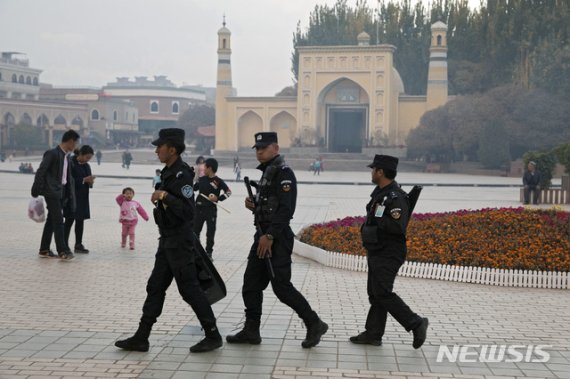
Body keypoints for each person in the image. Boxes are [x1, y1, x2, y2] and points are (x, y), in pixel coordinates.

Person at [115, 128, 223, 353]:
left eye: (160, 146)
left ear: (172, 149)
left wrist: (164, 196)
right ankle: (141, 336)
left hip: (180, 241)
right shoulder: (168, 172)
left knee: (190, 289)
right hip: (167, 240)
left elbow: (187, 211)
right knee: (155, 286)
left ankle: (213, 335)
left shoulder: (181, 174)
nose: (156, 150)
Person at [226, 131, 328, 348]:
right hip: (262, 236)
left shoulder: (284, 174)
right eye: (257, 149)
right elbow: (270, 205)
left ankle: (314, 323)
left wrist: (270, 235)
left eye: (264, 148)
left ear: (276, 148)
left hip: (276, 238)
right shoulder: (267, 173)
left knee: (281, 287)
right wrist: (255, 205)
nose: (259, 152)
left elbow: (286, 210)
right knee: (251, 284)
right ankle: (251, 331)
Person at [350, 154, 428, 349]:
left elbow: (397, 226)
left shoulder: (395, 197)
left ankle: (415, 323)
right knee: (375, 293)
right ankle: (373, 333)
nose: (371, 173)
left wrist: (378, 220)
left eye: (373, 169)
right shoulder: (381, 193)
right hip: (377, 249)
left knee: (383, 292)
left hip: (389, 251)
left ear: (381, 172)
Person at [31, 129, 80, 260]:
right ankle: (63, 250)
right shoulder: (52, 153)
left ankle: (44, 249)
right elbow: (41, 171)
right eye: (75, 143)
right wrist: (36, 189)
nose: (75, 146)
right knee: (59, 220)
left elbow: (66, 177)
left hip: (61, 192)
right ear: (70, 141)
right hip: (51, 191)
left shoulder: (66, 157)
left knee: (52, 220)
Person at [193, 158, 232, 260]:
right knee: (195, 230)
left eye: (205, 167)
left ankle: (209, 252)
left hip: (211, 210)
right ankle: (197, 250)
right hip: (199, 208)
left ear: (209, 168)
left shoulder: (218, 181)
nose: (203, 169)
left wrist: (218, 198)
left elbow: (228, 192)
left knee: (210, 232)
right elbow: (193, 188)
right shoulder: (201, 179)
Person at [64, 145, 95, 254]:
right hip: (72, 197)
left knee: (80, 221)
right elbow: (68, 180)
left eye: (89, 158)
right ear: (80, 154)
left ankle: (78, 244)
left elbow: (88, 180)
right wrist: (83, 180)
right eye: (87, 157)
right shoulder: (70, 163)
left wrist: (90, 181)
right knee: (69, 220)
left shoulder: (87, 166)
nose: (88, 160)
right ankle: (64, 245)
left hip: (83, 197)